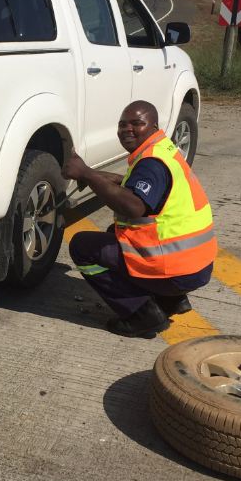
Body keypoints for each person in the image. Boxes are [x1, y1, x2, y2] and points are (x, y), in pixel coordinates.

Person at [63, 101, 216, 338]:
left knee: (82, 246)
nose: (128, 129)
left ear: (153, 126)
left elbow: (133, 206)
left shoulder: (151, 163)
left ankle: (142, 316)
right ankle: (170, 301)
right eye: (122, 125)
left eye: (137, 123)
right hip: (195, 264)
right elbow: (136, 185)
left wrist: (87, 173)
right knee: (115, 232)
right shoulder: (162, 150)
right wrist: (98, 178)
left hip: (177, 269)